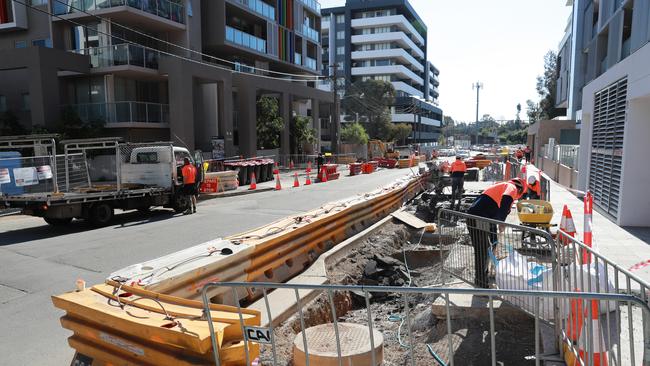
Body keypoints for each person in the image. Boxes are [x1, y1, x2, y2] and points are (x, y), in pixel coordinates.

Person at [466, 178, 527, 288]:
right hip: (479, 219)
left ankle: (482, 279)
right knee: (482, 251)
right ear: (520, 190)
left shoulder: (499, 188)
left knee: (483, 250)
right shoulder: (511, 187)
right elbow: (507, 199)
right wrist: (501, 221)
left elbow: (493, 217)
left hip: (478, 218)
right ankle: (481, 285)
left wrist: (495, 241)